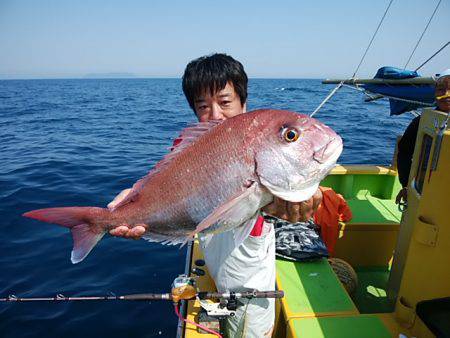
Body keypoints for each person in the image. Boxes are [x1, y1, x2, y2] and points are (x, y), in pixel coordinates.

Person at [395, 69, 450, 206]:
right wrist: (407, 185)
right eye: (441, 89)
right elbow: (404, 152)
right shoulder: (421, 121)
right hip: (424, 189)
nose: (446, 94)